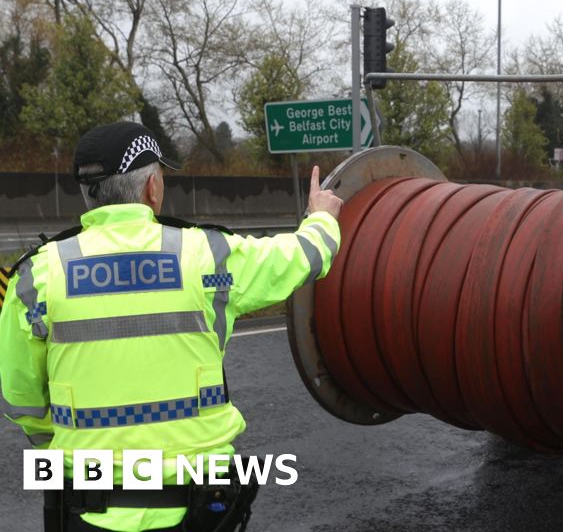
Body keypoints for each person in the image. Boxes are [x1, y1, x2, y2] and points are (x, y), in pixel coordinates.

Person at [0, 122, 344, 531]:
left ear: (87, 193)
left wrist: (69, 451)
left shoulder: (34, 278)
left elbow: (21, 398)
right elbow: (302, 256)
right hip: (200, 510)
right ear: (151, 188)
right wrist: (321, 218)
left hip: (89, 510)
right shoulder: (207, 257)